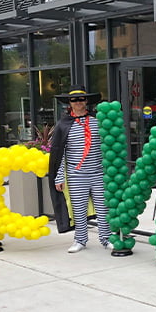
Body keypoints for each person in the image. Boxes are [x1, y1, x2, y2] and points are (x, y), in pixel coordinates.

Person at [48, 86, 111, 253]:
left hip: (99, 173)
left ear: (86, 101)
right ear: (69, 102)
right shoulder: (63, 124)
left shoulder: (98, 121)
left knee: (103, 208)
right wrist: (59, 177)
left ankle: (106, 238)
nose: (78, 102)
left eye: (81, 99)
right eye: (74, 100)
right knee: (79, 209)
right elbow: (59, 153)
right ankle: (80, 240)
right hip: (76, 175)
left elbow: (108, 146)